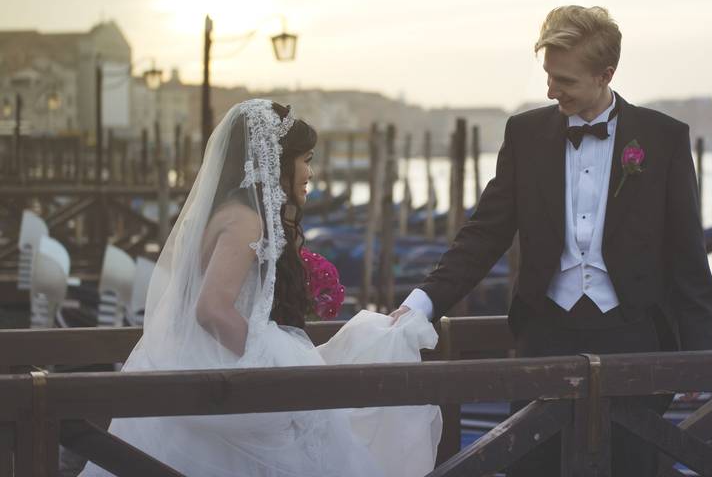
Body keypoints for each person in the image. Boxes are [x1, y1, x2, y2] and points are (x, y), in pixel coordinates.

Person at [392, 5, 712, 475]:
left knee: (633, 466)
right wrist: (422, 303)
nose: (550, 90)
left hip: (634, 337)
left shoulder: (663, 137)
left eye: (564, 80)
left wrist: (699, 355)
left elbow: (687, 254)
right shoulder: (524, 134)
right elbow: (484, 234)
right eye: (548, 75)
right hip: (544, 335)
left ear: (607, 74)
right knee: (530, 464)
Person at [80, 99, 441, 477]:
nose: (310, 172)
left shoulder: (230, 212)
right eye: (306, 159)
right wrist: (270, 363)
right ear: (276, 161)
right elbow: (211, 309)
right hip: (228, 368)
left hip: (205, 362)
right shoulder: (245, 219)